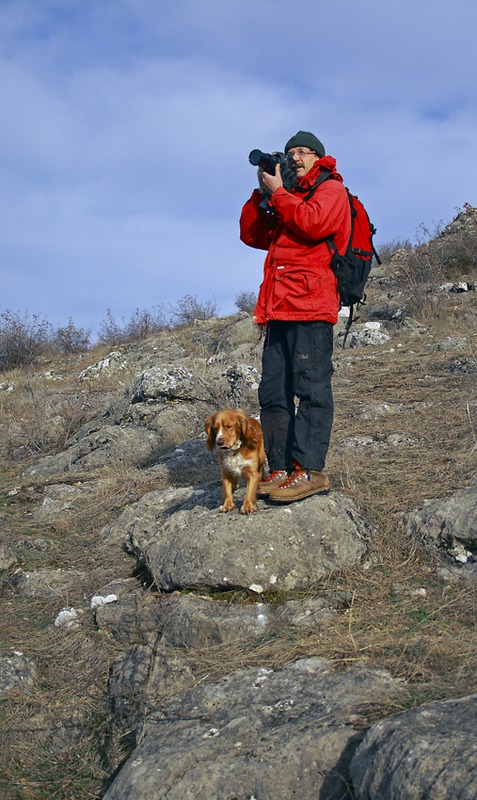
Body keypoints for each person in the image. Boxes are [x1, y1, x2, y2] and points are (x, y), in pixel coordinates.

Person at [239, 131, 351, 503]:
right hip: (278, 309)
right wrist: (262, 193)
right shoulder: (287, 197)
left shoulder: (330, 190)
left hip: (311, 307)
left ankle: (310, 470)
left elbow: (313, 223)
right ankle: (282, 468)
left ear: (318, 157)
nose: (296, 158)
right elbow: (251, 234)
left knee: (311, 389)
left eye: (303, 152)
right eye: (291, 153)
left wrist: (280, 195)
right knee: (273, 393)